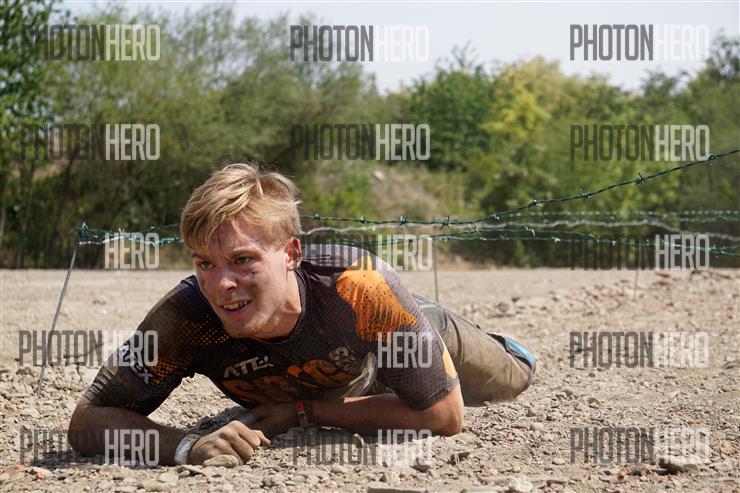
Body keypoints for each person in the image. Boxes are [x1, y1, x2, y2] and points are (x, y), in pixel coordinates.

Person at [69, 163, 536, 466]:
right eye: (205, 263)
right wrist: (187, 446)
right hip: (348, 381)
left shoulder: (359, 287)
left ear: (291, 253)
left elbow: (443, 418)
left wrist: (303, 412)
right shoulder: (187, 316)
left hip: (399, 334)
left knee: (514, 378)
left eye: (243, 260)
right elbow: (87, 421)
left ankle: (489, 343)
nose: (221, 284)